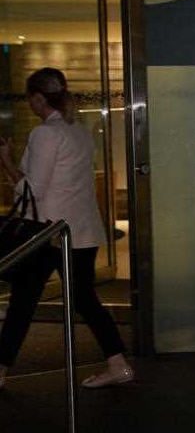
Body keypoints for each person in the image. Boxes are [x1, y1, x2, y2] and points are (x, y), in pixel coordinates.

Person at [0, 67, 133, 389]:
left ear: (38, 98)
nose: (30, 104)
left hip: (49, 233)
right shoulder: (79, 131)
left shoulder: (45, 133)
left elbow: (34, 189)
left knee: (26, 301)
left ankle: (1, 370)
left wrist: (5, 161)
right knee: (79, 298)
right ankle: (118, 364)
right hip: (81, 230)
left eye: (31, 98)